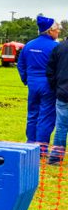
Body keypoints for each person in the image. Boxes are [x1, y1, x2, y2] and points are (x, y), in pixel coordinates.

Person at [18, 15, 60, 148]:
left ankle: (30, 144)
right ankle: (41, 148)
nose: (58, 32)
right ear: (50, 30)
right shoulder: (55, 46)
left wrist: (26, 79)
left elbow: (21, 65)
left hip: (32, 83)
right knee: (46, 116)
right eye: (57, 29)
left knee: (32, 114)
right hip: (48, 85)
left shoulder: (29, 45)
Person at [47, 27, 68, 165]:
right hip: (62, 91)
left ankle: (55, 157)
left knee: (61, 126)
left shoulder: (59, 48)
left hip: (63, 92)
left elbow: (50, 71)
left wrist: (57, 87)